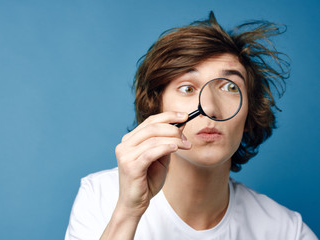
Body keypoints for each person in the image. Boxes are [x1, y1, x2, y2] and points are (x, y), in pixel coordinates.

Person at [65, 12, 318, 240]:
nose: (209, 108)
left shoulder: (286, 231)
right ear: (157, 109)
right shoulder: (99, 197)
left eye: (231, 88)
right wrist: (128, 212)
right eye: (187, 88)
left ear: (249, 114)